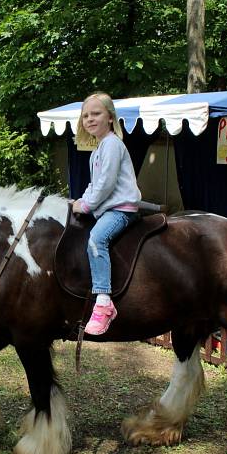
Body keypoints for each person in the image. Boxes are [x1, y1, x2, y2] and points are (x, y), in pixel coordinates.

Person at [72, 92, 142, 335]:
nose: (90, 119)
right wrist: (81, 200)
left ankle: (103, 301)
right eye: (86, 116)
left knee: (96, 239)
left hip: (120, 210)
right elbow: (95, 184)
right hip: (107, 207)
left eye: (96, 114)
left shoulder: (112, 144)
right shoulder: (98, 150)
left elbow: (107, 184)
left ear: (110, 118)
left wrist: (88, 205)